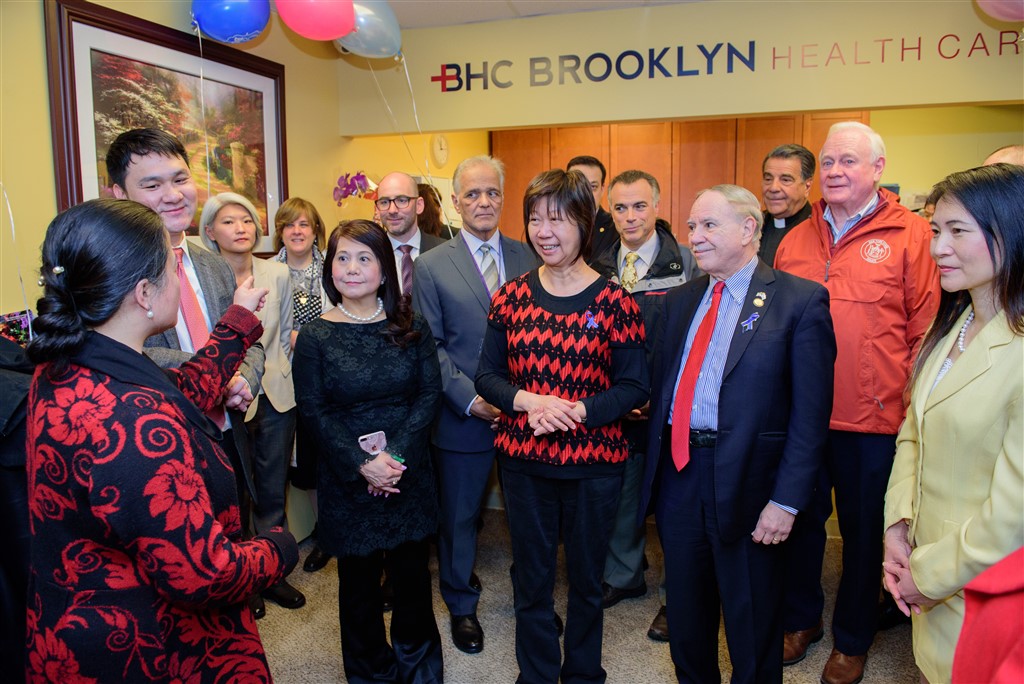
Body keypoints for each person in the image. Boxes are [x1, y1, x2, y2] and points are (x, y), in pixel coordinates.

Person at [24, 199, 298, 682]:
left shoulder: (71, 363)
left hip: (74, 623)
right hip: (142, 645)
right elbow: (203, 573)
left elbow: (177, 397)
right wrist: (278, 546)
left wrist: (235, 322)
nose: (182, 278)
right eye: (173, 268)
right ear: (145, 292)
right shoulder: (126, 417)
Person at [637, 184, 835, 683]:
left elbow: (810, 418)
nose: (694, 237)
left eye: (708, 225)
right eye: (690, 227)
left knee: (751, 623)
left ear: (749, 229)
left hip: (752, 483)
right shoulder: (679, 301)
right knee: (686, 619)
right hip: (681, 475)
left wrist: (787, 501)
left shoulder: (798, 301)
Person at [774, 121, 940, 684]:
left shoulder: (912, 234)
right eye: (829, 162)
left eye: (849, 161)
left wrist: (912, 409)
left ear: (877, 168)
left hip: (874, 419)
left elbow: (926, 332)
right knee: (797, 523)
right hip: (801, 416)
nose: (836, 171)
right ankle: (800, 620)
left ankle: (852, 639)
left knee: (866, 534)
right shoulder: (796, 239)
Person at [476, 168, 649, 683]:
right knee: (531, 579)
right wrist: (529, 401)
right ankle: (535, 674)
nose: (544, 232)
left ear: (585, 222)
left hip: (594, 466)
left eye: (558, 219)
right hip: (524, 464)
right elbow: (487, 376)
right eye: (534, 219)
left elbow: (634, 387)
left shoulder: (616, 301)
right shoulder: (509, 297)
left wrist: (572, 411)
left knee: (587, 583)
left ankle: (582, 674)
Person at [106, 129, 267, 612]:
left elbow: (248, 336)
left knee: (230, 539)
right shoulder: (111, 270)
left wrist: (242, 380)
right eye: (152, 185)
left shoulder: (213, 263)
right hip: (160, 442)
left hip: (225, 433)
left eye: (179, 178)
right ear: (118, 194)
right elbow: (122, 353)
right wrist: (216, 370)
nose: (172, 195)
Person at [882, 163, 1024, 684]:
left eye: (957, 231)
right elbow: (914, 435)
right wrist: (897, 527)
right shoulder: (953, 326)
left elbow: (1012, 519)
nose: (938, 247)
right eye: (935, 230)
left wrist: (927, 574)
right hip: (928, 572)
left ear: (1011, 232)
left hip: (986, 593)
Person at [293, 219, 444, 683]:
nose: (352, 268)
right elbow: (313, 411)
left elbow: (428, 396)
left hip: (407, 471)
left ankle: (418, 669)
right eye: (342, 257)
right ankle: (370, 673)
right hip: (347, 477)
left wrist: (393, 459)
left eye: (364, 258)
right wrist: (362, 465)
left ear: (384, 269)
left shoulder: (410, 324)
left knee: (413, 580)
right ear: (330, 268)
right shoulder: (315, 336)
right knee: (357, 587)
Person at [412, 155, 538, 655]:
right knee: (459, 519)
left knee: (529, 516)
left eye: (492, 193)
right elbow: (431, 346)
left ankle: (533, 599)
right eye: (473, 194)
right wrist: (472, 400)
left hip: (527, 417)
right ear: (457, 200)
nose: (483, 202)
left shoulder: (530, 256)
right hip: (463, 416)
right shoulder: (431, 265)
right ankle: (461, 606)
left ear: (502, 199)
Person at [592, 169, 699, 640]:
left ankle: (677, 600)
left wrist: (659, 396)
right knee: (623, 497)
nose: (630, 216)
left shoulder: (689, 264)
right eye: (620, 207)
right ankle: (623, 575)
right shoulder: (597, 267)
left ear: (657, 205)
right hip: (618, 408)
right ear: (609, 212)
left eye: (639, 206)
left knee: (675, 508)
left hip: (672, 407)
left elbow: (699, 340)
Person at [200, 192, 305, 613]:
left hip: (276, 393)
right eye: (228, 222)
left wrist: (271, 372)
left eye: (246, 220)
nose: (241, 228)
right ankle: (243, 581)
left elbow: (283, 336)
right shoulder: (204, 276)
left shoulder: (277, 273)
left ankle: (271, 572)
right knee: (234, 493)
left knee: (270, 489)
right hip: (225, 395)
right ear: (210, 232)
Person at [272, 196, 334, 573]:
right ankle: (325, 534)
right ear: (280, 232)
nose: (297, 231)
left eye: (304, 224)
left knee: (332, 455)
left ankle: (342, 528)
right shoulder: (266, 272)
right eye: (289, 224)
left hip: (328, 376)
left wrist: (310, 339)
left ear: (315, 231)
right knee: (305, 463)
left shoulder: (335, 267)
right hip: (285, 376)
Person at [377, 172, 449, 295]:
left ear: (419, 205)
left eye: (401, 200)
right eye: (384, 202)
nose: (392, 210)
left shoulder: (446, 252)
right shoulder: (371, 254)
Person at [759, 144, 815, 266]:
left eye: (785, 180)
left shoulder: (819, 230)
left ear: (807, 186)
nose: (773, 188)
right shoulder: (752, 226)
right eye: (768, 179)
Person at [568, 155, 619, 263]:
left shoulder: (616, 228)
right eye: (578, 186)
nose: (586, 194)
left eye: (592, 187)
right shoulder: (553, 226)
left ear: (602, 189)